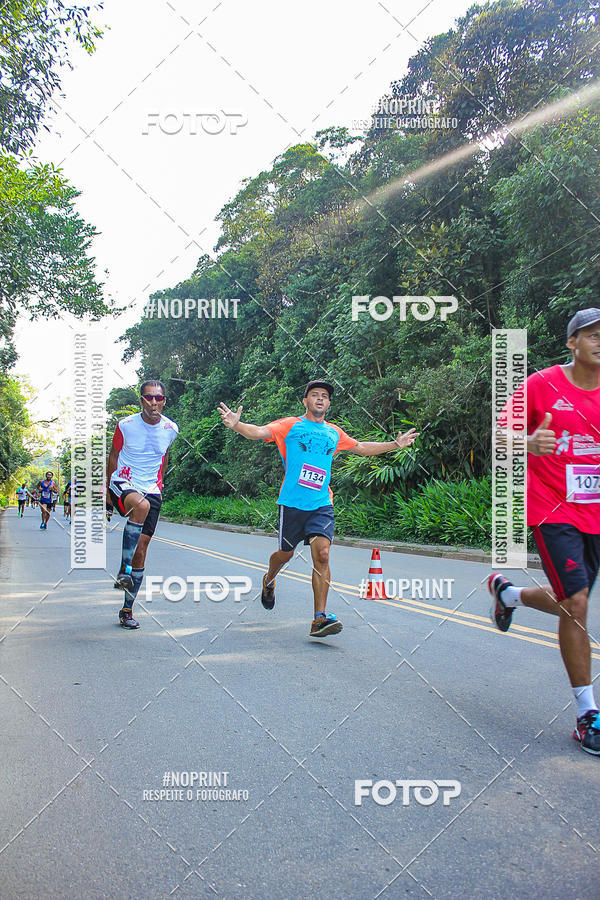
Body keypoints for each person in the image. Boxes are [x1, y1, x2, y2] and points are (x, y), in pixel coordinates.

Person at [218, 380, 419, 637]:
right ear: (306, 401)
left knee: (322, 555)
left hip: (321, 504)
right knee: (285, 554)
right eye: (315, 395)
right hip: (291, 504)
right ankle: (268, 580)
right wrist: (237, 425)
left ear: (329, 403)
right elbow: (258, 432)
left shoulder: (334, 432)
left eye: (324, 396)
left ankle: (319, 619)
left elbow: (359, 447)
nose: (320, 399)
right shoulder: (290, 425)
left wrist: (395, 444)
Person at [488, 308, 600, 755]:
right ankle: (587, 713)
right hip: (554, 510)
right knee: (576, 602)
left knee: (573, 599)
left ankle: (508, 595)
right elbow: (500, 436)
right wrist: (528, 443)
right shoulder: (541, 384)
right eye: (592, 334)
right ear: (572, 342)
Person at [106, 380, 178, 629]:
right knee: (141, 506)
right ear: (141, 401)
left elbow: (164, 456)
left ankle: (127, 609)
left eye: (158, 398)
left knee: (142, 550)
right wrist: (107, 491)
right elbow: (113, 456)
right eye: (148, 397)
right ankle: (123, 569)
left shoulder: (171, 428)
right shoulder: (125, 426)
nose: (154, 402)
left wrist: (161, 483)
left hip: (152, 489)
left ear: (164, 400)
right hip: (123, 482)